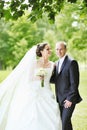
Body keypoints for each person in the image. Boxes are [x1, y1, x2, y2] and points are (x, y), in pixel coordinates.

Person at [0, 42, 62, 130]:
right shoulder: (33, 64)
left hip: (47, 92)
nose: (50, 51)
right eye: (47, 49)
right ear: (41, 51)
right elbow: (28, 79)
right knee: (33, 115)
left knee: (50, 113)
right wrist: (38, 77)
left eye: (50, 49)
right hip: (34, 92)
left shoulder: (53, 65)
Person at [50, 41, 82, 130]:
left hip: (69, 99)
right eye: (57, 49)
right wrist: (44, 77)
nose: (59, 51)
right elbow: (56, 79)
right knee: (66, 123)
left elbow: (74, 83)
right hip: (59, 98)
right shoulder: (56, 63)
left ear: (66, 50)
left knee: (64, 123)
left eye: (61, 49)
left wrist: (70, 99)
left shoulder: (72, 62)